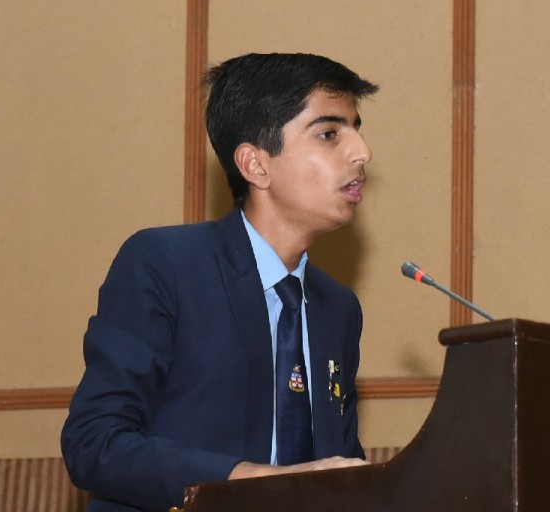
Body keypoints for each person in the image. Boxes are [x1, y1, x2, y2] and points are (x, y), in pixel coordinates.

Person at [61, 53, 379, 512]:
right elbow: (94, 444)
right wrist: (258, 482)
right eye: (330, 133)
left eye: (356, 129)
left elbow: (339, 471)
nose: (361, 151)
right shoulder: (166, 265)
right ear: (255, 165)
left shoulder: (338, 307)